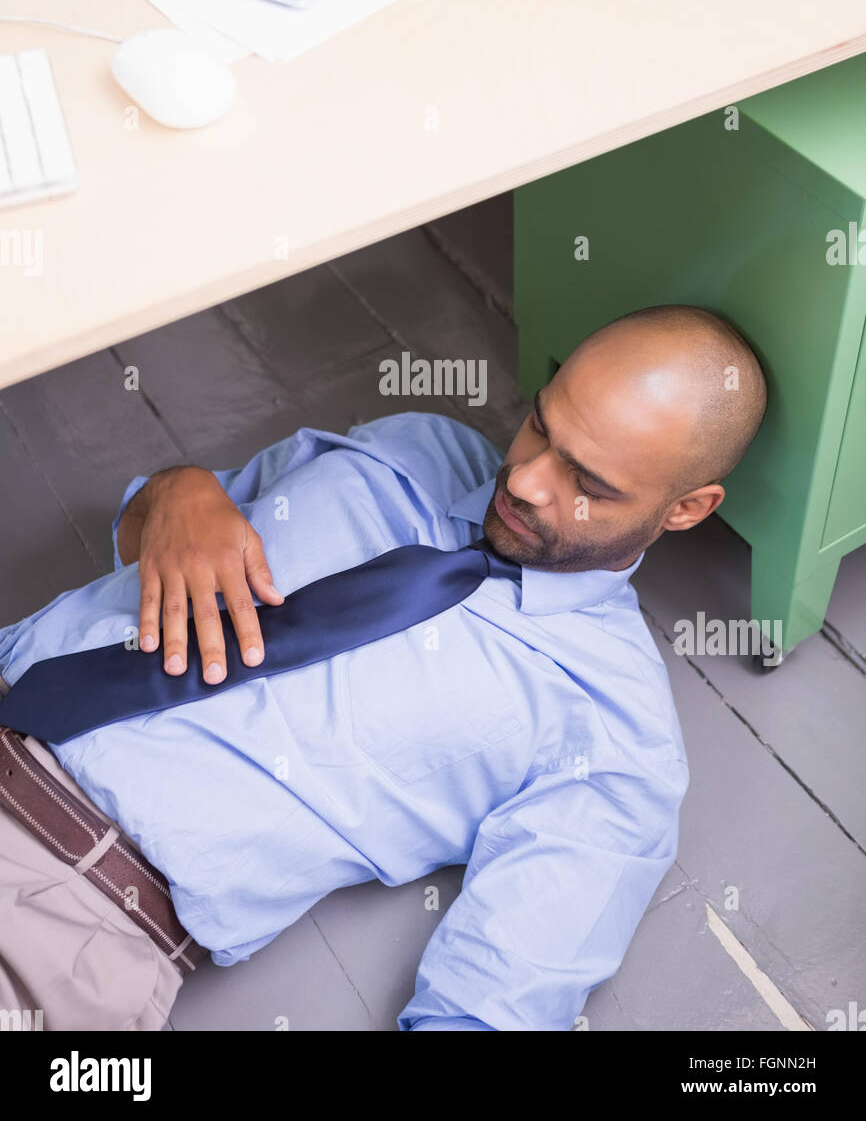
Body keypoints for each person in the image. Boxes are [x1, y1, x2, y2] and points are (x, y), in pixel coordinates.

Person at [0, 304, 767, 1031]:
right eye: (540, 424)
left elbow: (489, 1006)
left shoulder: (616, 738)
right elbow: (147, 537)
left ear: (687, 509)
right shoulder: (416, 445)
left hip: (64, 904)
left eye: (588, 485)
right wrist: (178, 490)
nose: (527, 479)